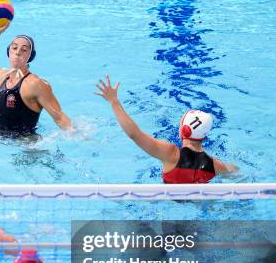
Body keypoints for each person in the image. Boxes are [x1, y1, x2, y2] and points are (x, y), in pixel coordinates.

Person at [95, 75, 237, 183]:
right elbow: (237, 174)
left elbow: (134, 134)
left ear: (183, 131)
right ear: (204, 136)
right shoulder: (216, 165)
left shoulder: (171, 154)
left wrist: (114, 102)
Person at [0, 22, 73, 137]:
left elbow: (59, 117)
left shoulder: (35, 84)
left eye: (24, 50)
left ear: (30, 57)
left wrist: (81, 137)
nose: (17, 52)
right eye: (14, 47)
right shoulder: (1, 77)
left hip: (26, 144)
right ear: (9, 51)